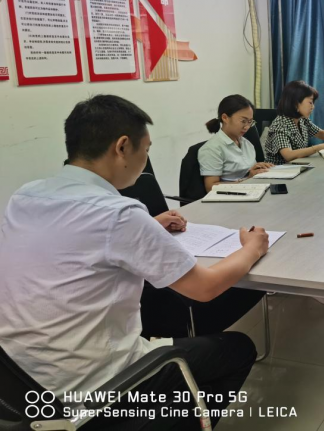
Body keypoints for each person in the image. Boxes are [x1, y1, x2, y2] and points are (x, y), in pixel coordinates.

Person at [0, 95, 269, 430]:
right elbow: (205, 288)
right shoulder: (119, 213)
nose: (146, 160)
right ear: (122, 147)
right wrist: (252, 248)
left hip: (20, 382)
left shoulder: (26, 195)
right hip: (92, 388)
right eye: (146, 149)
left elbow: (69, 240)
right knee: (238, 349)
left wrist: (149, 225)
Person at [264, 80, 324, 165]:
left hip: (296, 168)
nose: (313, 107)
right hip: (278, 171)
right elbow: (288, 155)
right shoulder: (280, 125)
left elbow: (320, 133)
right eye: (310, 102)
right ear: (295, 104)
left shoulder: (302, 120)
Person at [199, 94, 274, 193]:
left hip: (252, 191)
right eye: (243, 121)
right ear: (225, 118)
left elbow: (247, 171)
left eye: (250, 122)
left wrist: (257, 168)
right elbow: (210, 187)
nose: (247, 127)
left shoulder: (246, 143)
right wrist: (247, 180)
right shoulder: (212, 148)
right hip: (229, 197)